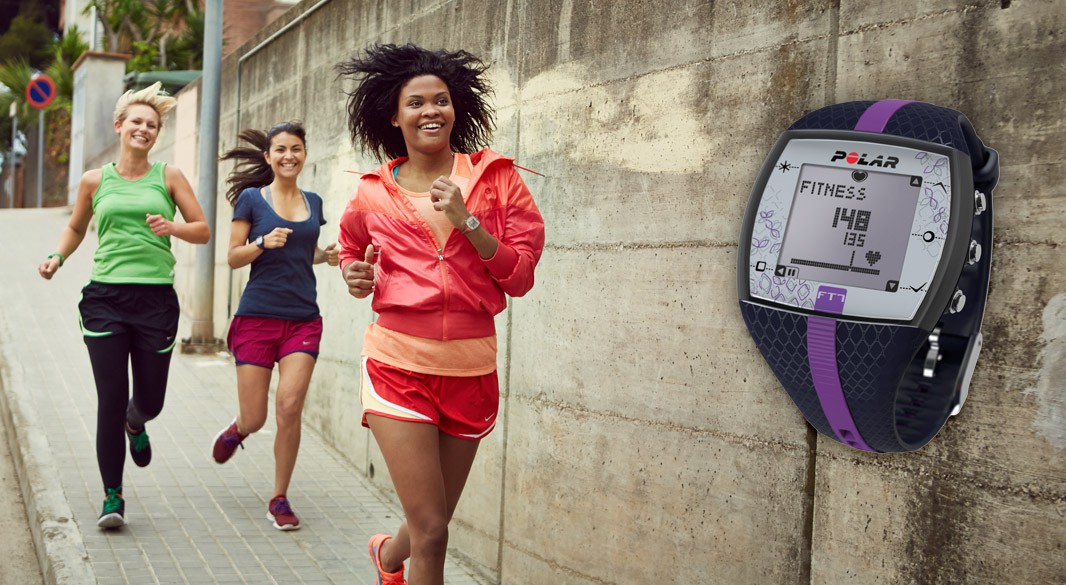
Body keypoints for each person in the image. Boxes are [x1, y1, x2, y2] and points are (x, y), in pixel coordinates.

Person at [334, 44, 545, 584]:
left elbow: (520, 277)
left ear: (456, 109)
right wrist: (354, 274)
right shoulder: (372, 191)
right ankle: (396, 561)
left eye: (441, 100)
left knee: (432, 520)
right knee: (432, 532)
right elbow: (351, 246)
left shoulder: (498, 179)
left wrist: (468, 220)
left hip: (470, 370)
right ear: (394, 116)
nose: (431, 111)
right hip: (396, 365)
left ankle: (387, 557)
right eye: (416, 102)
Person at [38, 81, 210, 529]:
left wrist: (172, 228)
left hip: (155, 301)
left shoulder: (169, 177)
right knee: (110, 400)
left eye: (151, 125)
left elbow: (202, 229)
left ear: (156, 134)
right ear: (119, 126)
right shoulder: (94, 180)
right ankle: (112, 496)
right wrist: (57, 256)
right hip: (106, 299)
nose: (144, 129)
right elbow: (76, 227)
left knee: (150, 399)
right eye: (136, 121)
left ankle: (138, 422)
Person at [210, 121, 339, 531]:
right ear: (268, 157)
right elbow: (233, 257)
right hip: (257, 318)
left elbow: (305, 250)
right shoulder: (252, 199)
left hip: (303, 320)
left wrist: (326, 256)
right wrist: (261, 243)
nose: (289, 155)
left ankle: (279, 497)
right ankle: (239, 429)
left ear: (305, 154)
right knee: (257, 418)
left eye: (296, 148)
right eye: (281, 149)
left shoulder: (313, 202)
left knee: (289, 406)